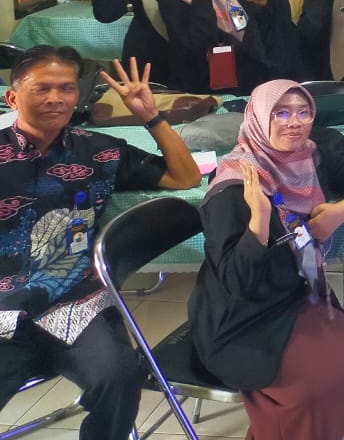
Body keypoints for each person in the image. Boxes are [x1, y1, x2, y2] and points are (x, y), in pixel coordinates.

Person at [0, 50, 200, 440]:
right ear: (12, 98)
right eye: (42, 88)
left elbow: (185, 176)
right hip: (4, 307)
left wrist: (151, 116)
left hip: (75, 302)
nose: (56, 99)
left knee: (120, 377)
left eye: (66, 88)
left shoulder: (100, 152)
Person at [190, 80, 344, 440]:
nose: (294, 122)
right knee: (307, 396)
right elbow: (235, 282)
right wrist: (259, 224)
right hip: (241, 316)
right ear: (259, 117)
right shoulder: (235, 184)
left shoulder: (313, 153)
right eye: (280, 113)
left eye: (303, 112)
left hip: (295, 293)